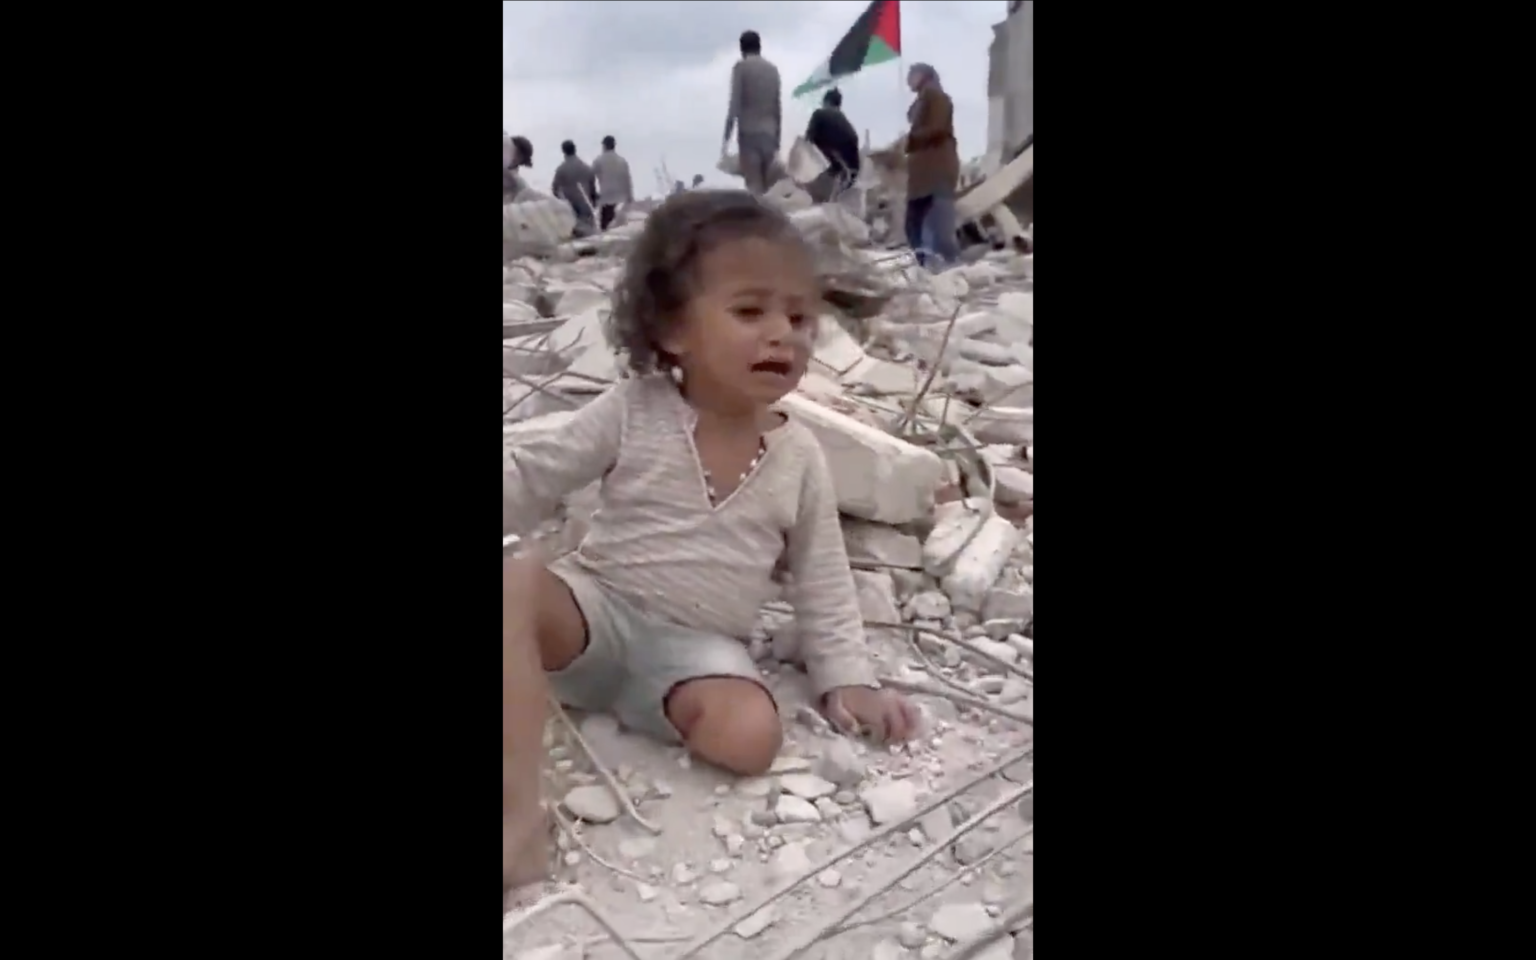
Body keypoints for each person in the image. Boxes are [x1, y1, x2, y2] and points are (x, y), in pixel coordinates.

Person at [502, 190, 920, 906]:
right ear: (672, 329)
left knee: (753, 739)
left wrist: (846, 677)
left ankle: (650, 709)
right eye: (750, 312)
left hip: (696, 653)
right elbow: (533, 474)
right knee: (517, 579)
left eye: (800, 318)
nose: (782, 335)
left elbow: (822, 576)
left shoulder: (800, 457)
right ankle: (517, 819)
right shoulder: (633, 410)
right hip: (593, 612)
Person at [903, 63, 962, 268]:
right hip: (923, 176)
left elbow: (937, 128)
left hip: (937, 170)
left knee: (938, 228)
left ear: (924, 76)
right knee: (914, 225)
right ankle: (927, 268)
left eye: (913, 74)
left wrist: (909, 140)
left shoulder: (937, 97)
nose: (908, 79)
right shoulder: (922, 101)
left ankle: (946, 270)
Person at [723, 30, 782, 195]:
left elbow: (734, 105)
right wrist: (777, 140)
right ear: (759, 47)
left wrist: (726, 140)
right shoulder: (773, 70)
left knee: (755, 188)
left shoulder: (741, 67)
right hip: (770, 136)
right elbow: (777, 108)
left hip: (749, 135)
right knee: (770, 189)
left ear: (742, 49)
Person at [805, 88, 862, 203]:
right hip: (852, 174)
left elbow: (807, 141)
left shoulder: (819, 114)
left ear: (826, 102)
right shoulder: (844, 122)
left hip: (838, 171)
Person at [551, 140, 598, 236]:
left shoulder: (561, 169)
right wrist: (593, 203)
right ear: (575, 150)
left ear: (563, 151)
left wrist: (562, 201)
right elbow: (593, 190)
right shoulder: (587, 168)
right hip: (587, 208)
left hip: (571, 209)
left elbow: (555, 190)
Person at [592, 135, 633, 231]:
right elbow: (627, 180)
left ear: (604, 146)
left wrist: (594, 194)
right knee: (621, 229)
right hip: (621, 200)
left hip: (606, 199)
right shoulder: (622, 161)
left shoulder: (598, 161)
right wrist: (629, 196)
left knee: (606, 229)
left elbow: (591, 177)